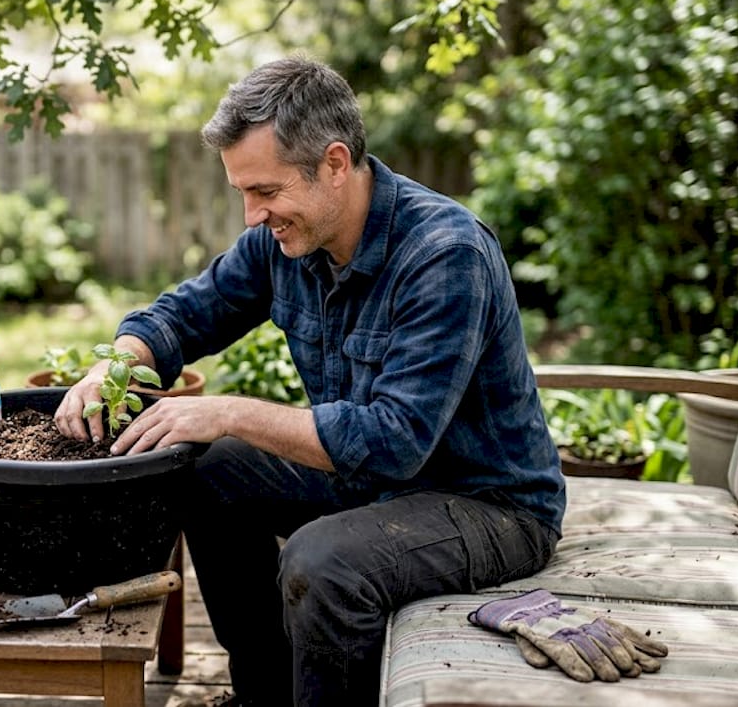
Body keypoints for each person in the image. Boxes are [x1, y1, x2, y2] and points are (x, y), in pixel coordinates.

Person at [54, 56, 565, 707]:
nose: (251, 215)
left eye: (265, 191)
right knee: (203, 470)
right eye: (242, 192)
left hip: (488, 500)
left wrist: (232, 410)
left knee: (321, 562)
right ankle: (262, 696)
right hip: (373, 477)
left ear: (334, 164)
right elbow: (188, 312)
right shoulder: (285, 240)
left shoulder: (444, 254)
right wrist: (117, 363)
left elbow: (395, 440)